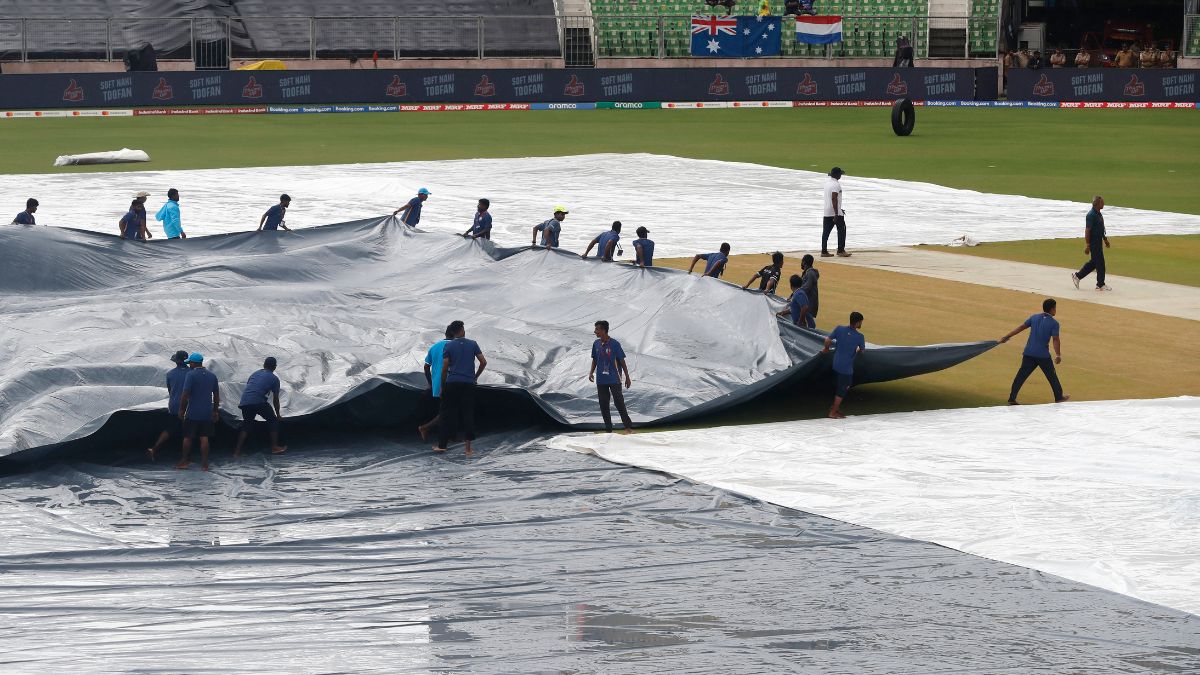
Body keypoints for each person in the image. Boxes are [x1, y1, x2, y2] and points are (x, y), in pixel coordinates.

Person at [999, 298, 1070, 405]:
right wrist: (1058, 355)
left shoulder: (1034, 317)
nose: (1056, 310)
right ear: (1051, 309)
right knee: (1052, 376)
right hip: (1043, 355)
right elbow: (1055, 339)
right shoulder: (1054, 323)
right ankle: (1058, 397)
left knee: (1021, 376)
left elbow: (1021, 327)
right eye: (1055, 308)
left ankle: (1012, 398)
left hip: (1029, 353)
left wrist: (1007, 336)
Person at [437, 320, 487, 455]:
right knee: (468, 414)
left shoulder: (448, 346)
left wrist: (442, 386)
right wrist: (475, 377)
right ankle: (468, 449)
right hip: (468, 383)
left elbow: (445, 368)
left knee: (447, 413)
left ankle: (442, 445)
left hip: (452, 382)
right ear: (463, 330)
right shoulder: (473, 344)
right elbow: (483, 362)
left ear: (452, 332)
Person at [232, 357, 286, 458]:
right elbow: (275, 399)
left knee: (246, 425)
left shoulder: (255, 374)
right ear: (275, 367)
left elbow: (250, 387)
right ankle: (274, 447)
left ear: (264, 365)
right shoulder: (274, 379)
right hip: (258, 401)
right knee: (273, 421)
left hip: (245, 402)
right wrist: (278, 414)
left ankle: (237, 452)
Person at [589, 320, 634, 435]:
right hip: (601, 380)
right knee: (603, 404)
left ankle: (628, 426)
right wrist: (591, 373)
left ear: (603, 330)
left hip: (614, 379)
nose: (595, 332)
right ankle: (608, 429)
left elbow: (622, 361)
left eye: (597, 329)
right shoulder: (596, 344)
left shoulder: (615, 344)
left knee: (619, 402)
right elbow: (594, 359)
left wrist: (627, 377)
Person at [177, 352, 220, 471]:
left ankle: (184, 461)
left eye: (190, 362)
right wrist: (215, 411)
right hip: (207, 411)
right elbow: (216, 395)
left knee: (188, 437)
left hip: (193, 411)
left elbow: (185, 394)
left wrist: (181, 409)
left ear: (194, 363)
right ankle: (205, 464)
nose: (189, 365)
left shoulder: (190, 375)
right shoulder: (212, 376)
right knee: (204, 437)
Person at [146, 350, 191, 461]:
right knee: (189, 430)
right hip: (187, 404)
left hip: (174, 404)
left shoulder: (170, 374)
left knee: (171, 428)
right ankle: (186, 457)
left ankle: (154, 448)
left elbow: (170, 391)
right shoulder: (191, 373)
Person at [822, 312, 866, 419]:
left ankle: (835, 408)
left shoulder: (839, 329)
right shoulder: (860, 337)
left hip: (835, 364)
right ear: (857, 323)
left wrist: (826, 349)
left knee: (841, 386)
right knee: (842, 389)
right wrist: (858, 350)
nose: (861, 324)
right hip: (846, 369)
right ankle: (833, 412)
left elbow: (827, 340)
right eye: (861, 322)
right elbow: (862, 351)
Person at [418, 325, 455, 441]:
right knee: (448, 410)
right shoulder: (454, 346)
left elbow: (426, 367)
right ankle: (425, 428)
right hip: (450, 382)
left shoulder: (434, 347)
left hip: (437, 384)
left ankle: (451, 435)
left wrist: (430, 383)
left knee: (448, 409)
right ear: (455, 333)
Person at [1071, 196, 1112, 291]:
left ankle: (1077, 276)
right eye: (1102, 203)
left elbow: (1101, 229)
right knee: (1100, 263)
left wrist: (1105, 239)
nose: (1103, 204)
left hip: (1098, 242)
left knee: (1094, 263)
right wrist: (1088, 245)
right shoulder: (1091, 215)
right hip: (1094, 243)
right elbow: (1087, 230)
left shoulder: (1098, 214)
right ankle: (1100, 284)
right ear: (1097, 204)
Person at [822, 167, 850, 257]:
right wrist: (837, 213)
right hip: (835, 213)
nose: (841, 175)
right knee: (842, 230)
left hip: (827, 211)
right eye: (840, 174)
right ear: (837, 175)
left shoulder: (827, 184)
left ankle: (824, 251)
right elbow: (834, 198)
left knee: (826, 232)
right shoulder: (836, 185)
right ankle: (840, 250)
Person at [799, 254, 820, 327]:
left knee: (809, 325)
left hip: (809, 304)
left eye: (802, 261)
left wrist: (795, 294)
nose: (801, 263)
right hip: (809, 304)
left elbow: (806, 287)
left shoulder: (810, 273)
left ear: (804, 262)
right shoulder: (808, 273)